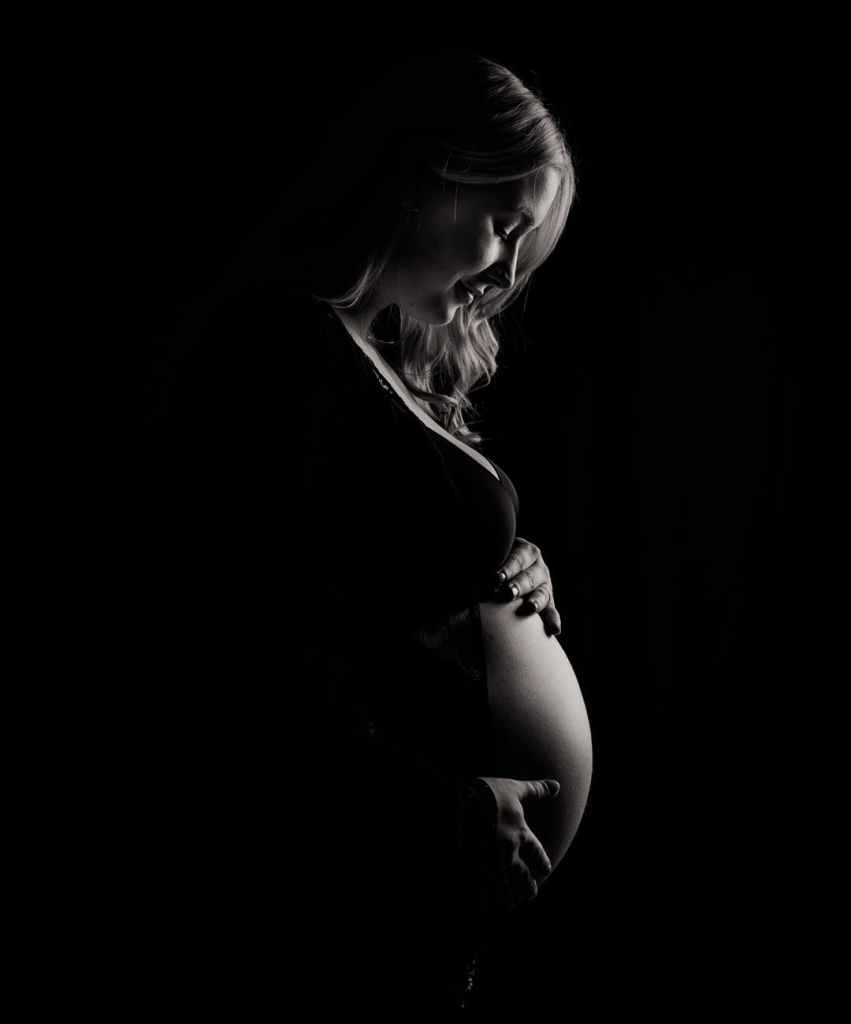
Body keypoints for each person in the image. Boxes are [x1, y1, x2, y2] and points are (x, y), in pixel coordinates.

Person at [141, 47, 592, 1012]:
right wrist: (441, 806)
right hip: (350, 878)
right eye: (505, 227)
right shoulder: (281, 351)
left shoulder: (380, 357)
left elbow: (385, 571)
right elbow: (245, 642)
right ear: (430, 173)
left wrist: (507, 566)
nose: (507, 274)